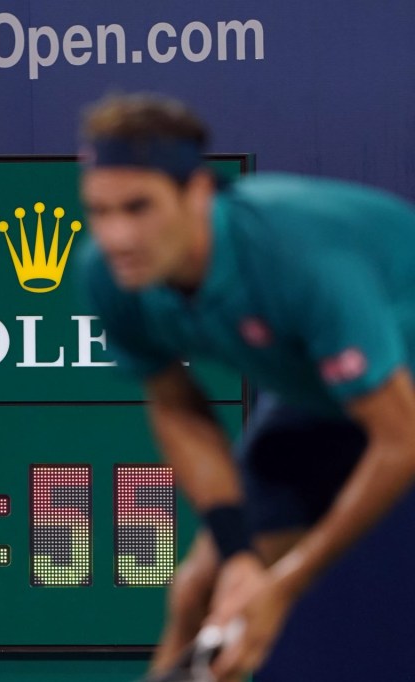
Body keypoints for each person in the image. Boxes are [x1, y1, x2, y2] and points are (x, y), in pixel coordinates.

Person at [76, 92, 415, 682]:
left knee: (255, 604)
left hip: (391, 393)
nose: (117, 236)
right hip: (325, 398)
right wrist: (238, 556)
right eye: (99, 212)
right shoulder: (109, 277)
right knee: (203, 596)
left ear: (199, 193)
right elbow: (177, 408)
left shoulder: (296, 258)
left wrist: (284, 585)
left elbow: (401, 438)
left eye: (138, 208)